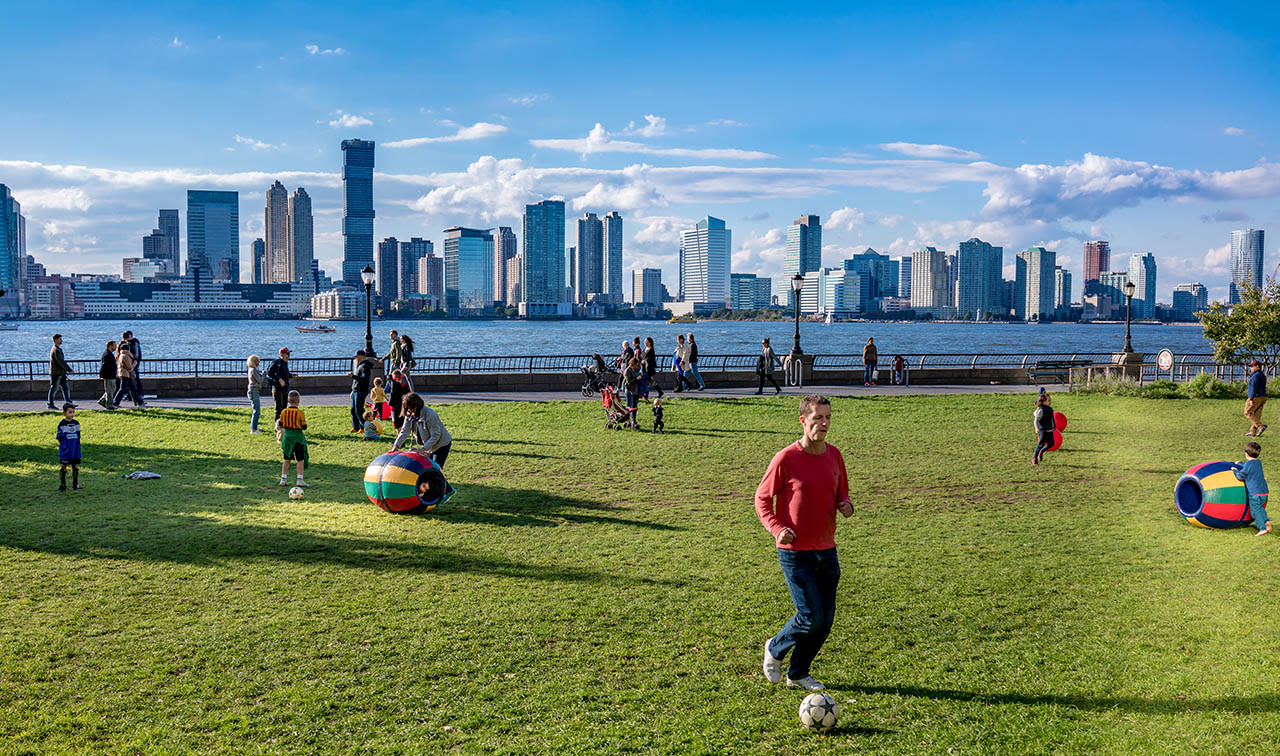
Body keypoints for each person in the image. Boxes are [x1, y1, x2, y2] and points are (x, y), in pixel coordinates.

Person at [756, 395, 852, 692]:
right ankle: (775, 648)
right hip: (796, 553)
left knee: (823, 623)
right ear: (803, 421)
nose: (823, 424)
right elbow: (762, 500)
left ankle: (798, 672)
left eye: (827, 418)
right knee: (810, 615)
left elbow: (841, 491)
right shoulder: (786, 459)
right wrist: (777, 528)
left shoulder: (834, 455)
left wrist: (845, 504)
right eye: (817, 419)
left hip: (827, 549)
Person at [391, 392, 453, 469]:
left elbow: (436, 435)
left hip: (441, 444)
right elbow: (404, 431)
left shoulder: (430, 414)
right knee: (426, 468)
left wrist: (422, 449)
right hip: (429, 445)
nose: (408, 411)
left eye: (410, 408)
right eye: (406, 408)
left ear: (416, 406)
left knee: (436, 470)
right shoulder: (409, 414)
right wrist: (396, 446)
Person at [1233, 441, 1270, 536]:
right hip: (1264, 492)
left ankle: (1262, 528)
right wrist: (1240, 463)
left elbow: (1241, 476)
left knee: (1254, 512)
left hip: (1255, 493)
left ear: (1246, 453)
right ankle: (1266, 522)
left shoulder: (1248, 465)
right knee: (1260, 509)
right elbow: (1249, 466)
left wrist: (1235, 471)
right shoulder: (1258, 462)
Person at [276, 390, 308, 487]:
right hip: (297, 437)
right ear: (298, 400)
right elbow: (304, 427)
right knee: (299, 459)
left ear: (288, 401)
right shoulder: (300, 413)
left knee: (287, 459)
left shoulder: (284, 412)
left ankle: (283, 478)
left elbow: (280, 424)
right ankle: (299, 479)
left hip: (287, 437)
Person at [56, 402, 82, 492]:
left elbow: (78, 436)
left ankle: (75, 484)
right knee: (63, 466)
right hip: (65, 450)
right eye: (70, 412)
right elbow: (59, 437)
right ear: (64, 413)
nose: (72, 414)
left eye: (73, 412)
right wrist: (65, 445)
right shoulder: (62, 424)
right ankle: (63, 485)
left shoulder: (76, 423)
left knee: (75, 466)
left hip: (75, 449)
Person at [112, 341, 145, 408]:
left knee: (132, 388)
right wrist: (135, 363)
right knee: (123, 389)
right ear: (128, 349)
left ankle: (140, 402)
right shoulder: (125, 356)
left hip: (124, 374)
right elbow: (129, 367)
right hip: (125, 374)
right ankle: (115, 402)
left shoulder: (121, 355)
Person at [349, 349, 374, 434]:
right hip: (356, 390)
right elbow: (356, 381)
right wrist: (353, 390)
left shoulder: (365, 366)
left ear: (362, 356)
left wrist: (353, 376)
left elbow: (365, 380)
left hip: (361, 391)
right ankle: (355, 427)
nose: (356, 358)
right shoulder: (360, 365)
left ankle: (363, 427)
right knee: (353, 410)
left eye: (357, 356)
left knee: (359, 410)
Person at [47, 333, 74, 410]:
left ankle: (68, 403)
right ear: (56, 340)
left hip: (60, 373)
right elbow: (61, 361)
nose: (61, 340)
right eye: (60, 339)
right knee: (54, 388)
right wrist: (69, 370)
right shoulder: (55, 350)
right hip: (56, 373)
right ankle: (50, 404)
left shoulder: (58, 349)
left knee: (65, 388)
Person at [267, 347, 293, 421]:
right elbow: (269, 372)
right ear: (282, 354)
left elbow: (285, 374)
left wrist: (291, 375)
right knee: (278, 409)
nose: (288, 355)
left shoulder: (285, 363)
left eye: (289, 353)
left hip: (285, 388)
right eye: (287, 353)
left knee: (284, 408)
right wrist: (279, 379)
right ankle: (277, 427)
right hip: (277, 388)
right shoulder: (276, 362)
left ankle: (283, 424)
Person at [1245, 359, 1267, 437]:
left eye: (1252, 366)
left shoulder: (1255, 376)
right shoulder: (1262, 374)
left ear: (1257, 366)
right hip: (1263, 397)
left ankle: (1260, 427)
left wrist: (1251, 398)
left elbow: (1253, 388)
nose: (1250, 368)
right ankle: (1252, 432)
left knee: (1247, 412)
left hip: (1256, 397)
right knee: (1256, 415)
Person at [247, 354, 267, 434]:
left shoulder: (251, 369)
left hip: (253, 391)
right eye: (258, 361)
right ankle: (253, 430)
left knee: (255, 409)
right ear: (254, 361)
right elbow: (260, 380)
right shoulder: (254, 370)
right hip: (254, 391)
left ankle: (254, 426)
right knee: (256, 411)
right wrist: (264, 374)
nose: (259, 362)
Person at [1033, 392, 1055, 465]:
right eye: (1048, 400)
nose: (1050, 402)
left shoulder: (1050, 409)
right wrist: (1036, 428)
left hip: (1049, 430)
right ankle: (1034, 458)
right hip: (1042, 430)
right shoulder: (1041, 410)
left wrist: (1053, 427)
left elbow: (1051, 419)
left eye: (1050, 400)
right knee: (1040, 444)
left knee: (1051, 443)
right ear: (1043, 402)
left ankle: (1041, 451)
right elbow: (1036, 420)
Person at [97, 340, 118, 410]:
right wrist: (101, 374)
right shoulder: (107, 354)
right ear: (110, 346)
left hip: (111, 375)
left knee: (112, 389)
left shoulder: (108, 353)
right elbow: (104, 365)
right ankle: (109, 405)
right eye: (114, 345)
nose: (116, 347)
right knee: (110, 391)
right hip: (109, 375)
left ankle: (102, 400)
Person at [622, 358, 641, 429]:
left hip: (635, 390)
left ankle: (634, 420)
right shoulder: (627, 371)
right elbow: (628, 382)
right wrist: (637, 379)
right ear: (633, 364)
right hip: (630, 390)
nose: (638, 366)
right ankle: (628, 420)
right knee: (629, 406)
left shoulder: (636, 369)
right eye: (637, 364)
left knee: (635, 406)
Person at [124, 331, 143, 398]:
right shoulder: (129, 343)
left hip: (133, 364)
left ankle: (139, 395)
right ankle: (133, 396)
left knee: (135, 379)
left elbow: (136, 356)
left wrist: (134, 364)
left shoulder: (134, 343)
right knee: (131, 380)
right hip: (130, 364)